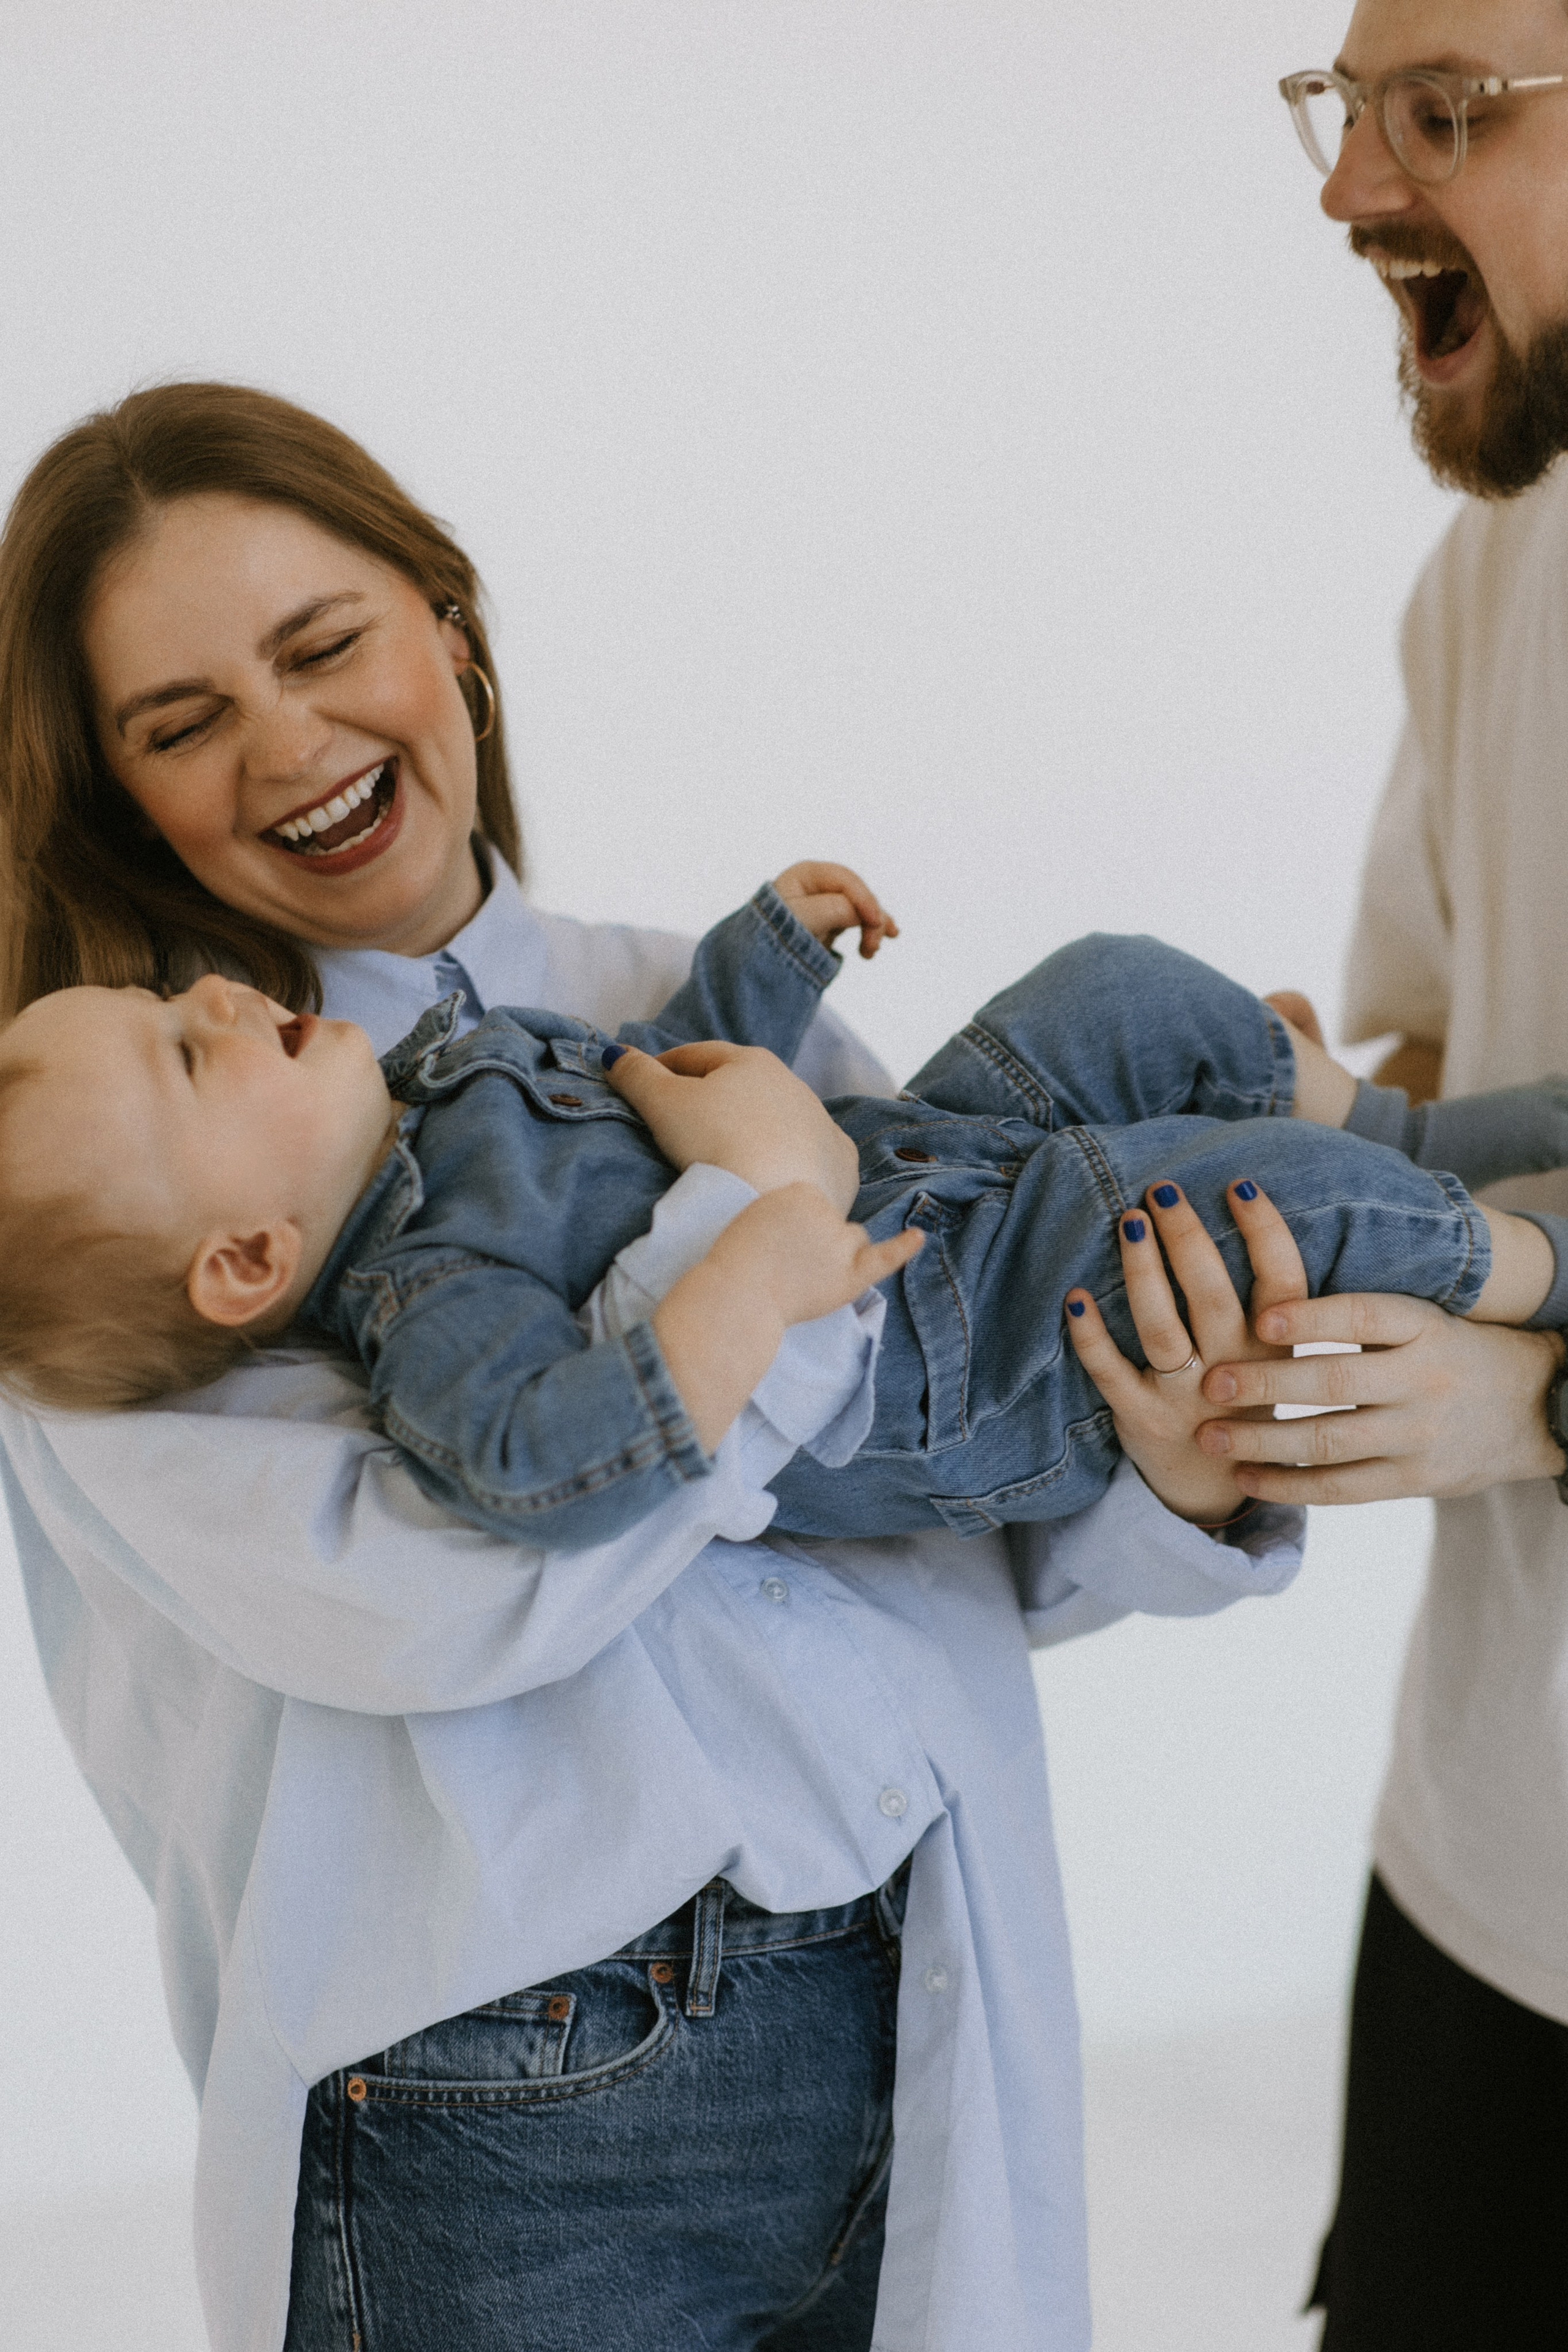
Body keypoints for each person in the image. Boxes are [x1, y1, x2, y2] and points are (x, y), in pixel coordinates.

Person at [0, 380, 1310, 2352]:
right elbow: (452, 1588)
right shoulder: (117, 1207)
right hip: (513, 2131)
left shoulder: (679, 1007)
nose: (287, 743)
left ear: (450, 625)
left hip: (898, 1988)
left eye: (326, 644)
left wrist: (1186, 1479)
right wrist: (756, 1221)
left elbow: (946, 1492)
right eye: (180, 723)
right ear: (118, 794)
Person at [9, 891, 1568, 1544]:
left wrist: (768, 956)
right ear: (246, 1260)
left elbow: (687, 1074)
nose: (216, 993)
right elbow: (551, 1470)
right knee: (1223, 1198)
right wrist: (751, 1266)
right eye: (188, 1052)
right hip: (948, 1360)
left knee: (1117, 991)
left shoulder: (446, 1076)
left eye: (168, 1000)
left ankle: (1418, 1131)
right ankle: (1537, 1268)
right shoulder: (431, 1299)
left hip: (911, 1168)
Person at [1189, 4, 1568, 2340]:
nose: (1349, 191)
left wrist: (1526, 1398)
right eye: (1349, 110)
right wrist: (1280, 1188)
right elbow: (1445, 1048)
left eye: (1448, 112)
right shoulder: (1493, 573)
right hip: (1492, 1868)